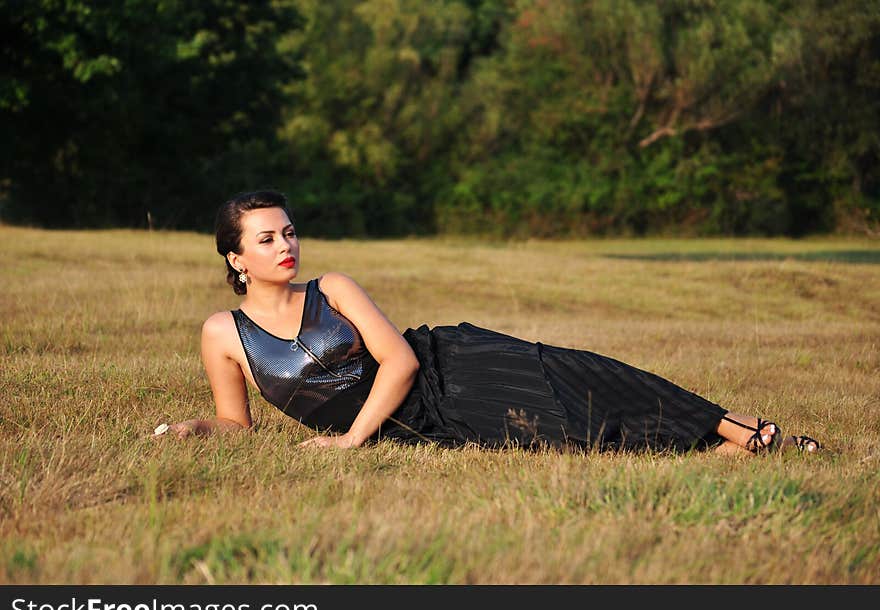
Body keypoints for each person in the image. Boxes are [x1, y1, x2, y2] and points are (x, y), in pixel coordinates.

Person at [160, 190, 821, 457]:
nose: (287, 245)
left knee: (584, 377)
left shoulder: (333, 288)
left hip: (450, 368)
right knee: (572, 435)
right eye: (268, 238)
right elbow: (236, 423)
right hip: (424, 425)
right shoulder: (223, 333)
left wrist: (351, 441)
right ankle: (734, 445)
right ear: (235, 256)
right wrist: (198, 425)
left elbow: (402, 361)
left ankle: (751, 432)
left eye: (291, 232)